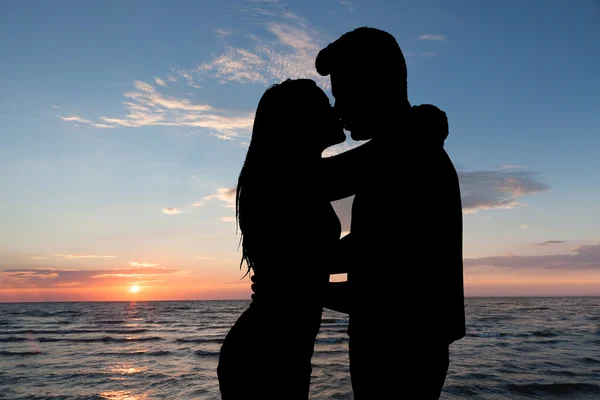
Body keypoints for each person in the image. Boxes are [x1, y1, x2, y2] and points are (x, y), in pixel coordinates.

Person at [314, 27, 466, 399]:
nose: (337, 109)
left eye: (342, 94)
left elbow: (387, 281)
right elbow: (372, 250)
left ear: (373, 85)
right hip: (402, 343)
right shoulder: (406, 146)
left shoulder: (406, 152)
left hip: (400, 348)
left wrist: (303, 280)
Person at [217, 78, 348, 399]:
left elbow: (313, 268)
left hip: (276, 350)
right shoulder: (286, 179)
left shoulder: (298, 178)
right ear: (300, 120)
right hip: (263, 355)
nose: (336, 111)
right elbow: (376, 162)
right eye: (324, 106)